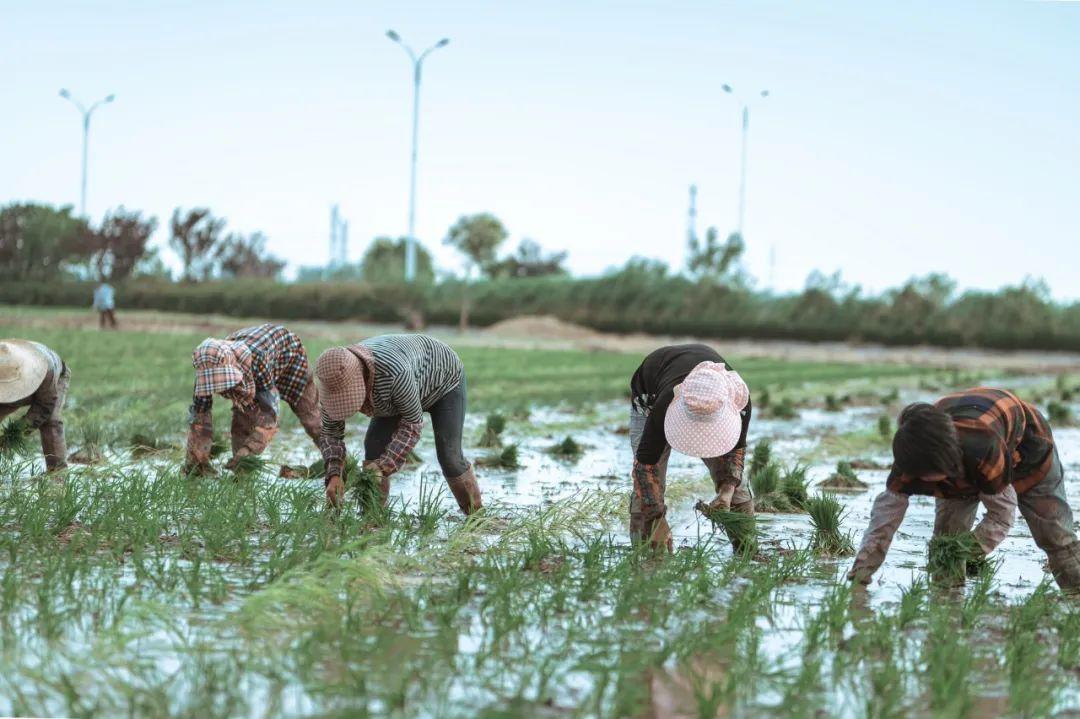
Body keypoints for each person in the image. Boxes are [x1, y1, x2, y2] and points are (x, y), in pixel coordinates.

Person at [848, 388, 1080, 593]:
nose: (928, 483)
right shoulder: (912, 457)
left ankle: (1076, 592)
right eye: (923, 478)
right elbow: (883, 522)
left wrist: (966, 550)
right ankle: (946, 602)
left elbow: (1002, 515)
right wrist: (861, 575)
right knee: (947, 536)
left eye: (933, 476)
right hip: (963, 449)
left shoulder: (982, 447)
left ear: (949, 461)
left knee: (1054, 533)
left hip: (1027, 447)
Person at [315, 334, 482, 515]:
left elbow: (412, 424)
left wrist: (384, 466)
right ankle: (372, 518)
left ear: (362, 377)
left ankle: (476, 515)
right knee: (373, 447)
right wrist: (334, 474)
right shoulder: (332, 382)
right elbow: (331, 433)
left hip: (443, 379)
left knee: (449, 457)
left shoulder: (393, 373)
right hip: (398, 389)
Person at [629, 344, 753, 551]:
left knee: (737, 488)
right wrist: (656, 518)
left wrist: (726, 493)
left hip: (710, 392)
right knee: (649, 484)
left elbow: (735, 454)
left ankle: (746, 549)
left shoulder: (738, 401)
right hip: (650, 393)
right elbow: (645, 467)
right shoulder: (663, 406)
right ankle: (648, 553)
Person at [184, 324, 321, 473]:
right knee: (243, 420)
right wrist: (196, 461)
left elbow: (270, 418)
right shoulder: (206, 367)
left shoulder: (257, 359)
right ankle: (241, 472)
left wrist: (248, 452)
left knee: (311, 419)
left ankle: (337, 464)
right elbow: (199, 419)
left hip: (290, 357)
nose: (222, 389)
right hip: (257, 361)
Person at [0, 339, 70, 471]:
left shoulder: (45, 368)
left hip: (48, 385)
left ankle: (57, 472)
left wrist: (16, 432)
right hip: (17, 381)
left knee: (51, 422)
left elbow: (44, 407)